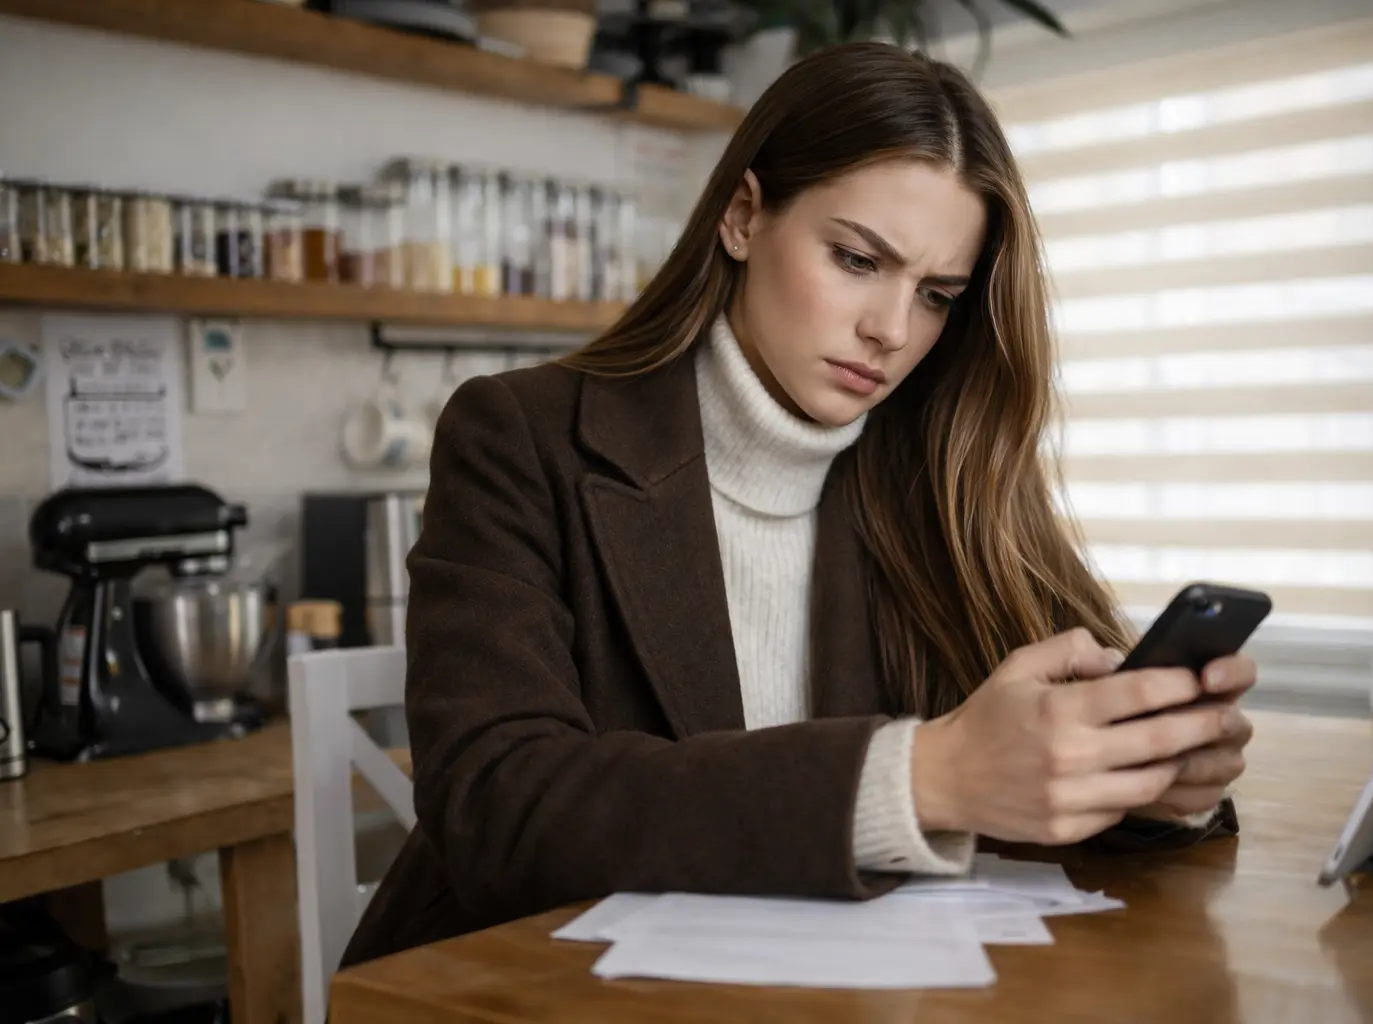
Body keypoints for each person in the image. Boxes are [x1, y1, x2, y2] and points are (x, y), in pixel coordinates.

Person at [341, 40, 1255, 968]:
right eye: (858, 259)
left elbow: (1043, 779)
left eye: (936, 294)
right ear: (743, 216)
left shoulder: (942, 463)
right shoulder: (521, 435)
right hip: (526, 991)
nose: (892, 332)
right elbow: (498, 807)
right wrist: (921, 778)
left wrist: (1150, 777)